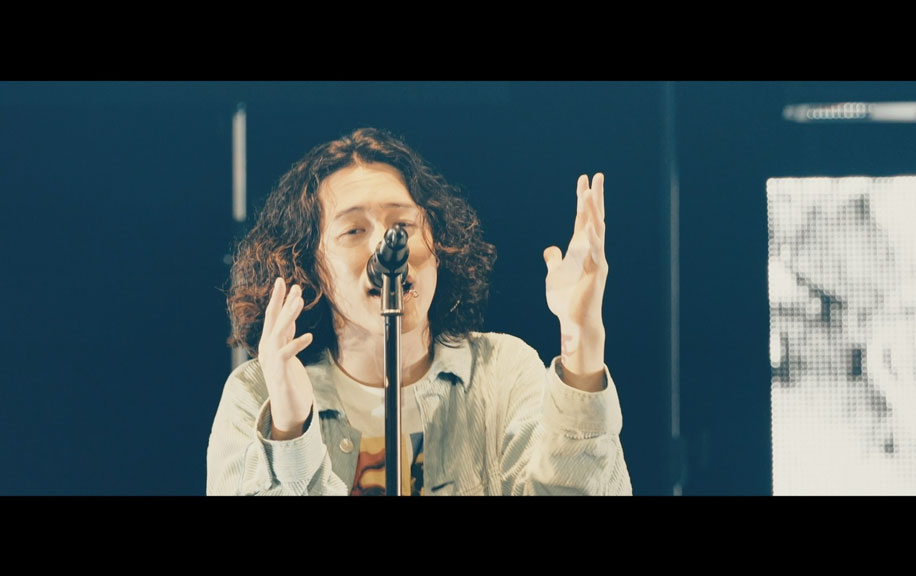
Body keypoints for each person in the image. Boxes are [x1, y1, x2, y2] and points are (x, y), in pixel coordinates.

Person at [207, 127, 631, 495]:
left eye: (404, 225)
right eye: (353, 230)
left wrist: (581, 341)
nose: (385, 243)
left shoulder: (502, 372)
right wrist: (289, 430)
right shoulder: (257, 393)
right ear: (309, 264)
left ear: (437, 243)